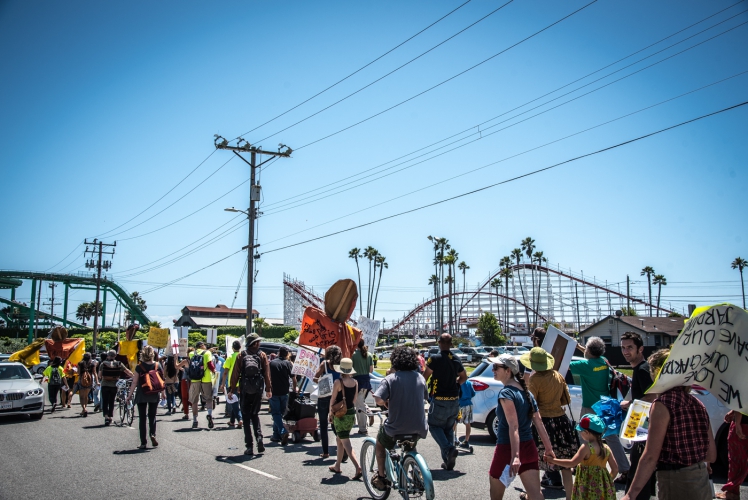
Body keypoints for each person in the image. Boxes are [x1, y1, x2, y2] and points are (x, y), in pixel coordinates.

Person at [622, 349, 717, 500]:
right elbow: (711, 455)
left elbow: (650, 456)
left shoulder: (662, 404)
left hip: (676, 479)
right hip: (700, 477)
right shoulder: (697, 403)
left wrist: (631, 494)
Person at [487, 353, 554, 500]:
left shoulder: (506, 393)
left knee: (495, 495)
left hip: (507, 448)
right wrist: (549, 449)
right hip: (528, 447)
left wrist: (515, 456)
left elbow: (514, 426)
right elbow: (539, 422)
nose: (493, 370)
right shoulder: (527, 393)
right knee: (536, 494)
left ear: (508, 371)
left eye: (495, 367)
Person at [570, 336, 630, 482]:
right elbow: (592, 353)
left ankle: (582, 464)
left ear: (589, 351)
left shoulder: (586, 365)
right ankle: (625, 468)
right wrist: (579, 347)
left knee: (583, 434)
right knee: (611, 437)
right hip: (605, 405)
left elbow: (564, 364)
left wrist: (569, 347)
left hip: (590, 406)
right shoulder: (604, 361)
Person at [521, 347, 578, 500]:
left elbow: (532, 404)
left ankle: (532, 494)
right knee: (565, 464)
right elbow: (566, 400)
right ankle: (569, 497)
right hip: (561, 421)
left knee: (536, 462)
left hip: (543, 423)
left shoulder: (534, 379)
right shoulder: (558, 375)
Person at [371, 346, 429, 491]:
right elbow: (425, 397)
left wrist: (384, 401)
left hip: (396, 427)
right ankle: (416, 473)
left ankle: (382, 477)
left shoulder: (390, 379)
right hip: (419, 427)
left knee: (380, 443)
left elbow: (378, 399)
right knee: (411, 445)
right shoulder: (420, 378)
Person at [619, 331, 657, 500]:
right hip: (640, 425)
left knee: (638, 469)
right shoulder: (640, 368)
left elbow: (652, 396)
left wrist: (631, 404)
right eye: (623, 348)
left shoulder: (642, 369)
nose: (626, 351)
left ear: (640, 349)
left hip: (643, 426)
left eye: (630, 347)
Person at [546, 413, 617, 500]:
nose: (580, 434)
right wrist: (606, 482)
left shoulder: (586, 447)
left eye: (581, 431)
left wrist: (553, 460)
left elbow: (572, 463)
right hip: (601, 488)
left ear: (587, 432)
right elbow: (615, 469)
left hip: (586, 487)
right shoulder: (606, 448)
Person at [422, 333, 467, 470]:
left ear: (439, 343)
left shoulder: (434, 359)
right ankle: (448, 461)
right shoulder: (456, 359)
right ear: (451, 344)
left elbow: (425, 377)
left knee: (434, 426)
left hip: (440, 399)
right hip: (454, 400)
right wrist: (456, 384)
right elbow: (464, 377)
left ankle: (448, 449)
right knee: (448, 429)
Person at [228, 333, 272, 456]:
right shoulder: (262, 355)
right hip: (258, 389)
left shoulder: (242, 355)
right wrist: (268, 389)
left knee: (246, 418)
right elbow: (267, 374)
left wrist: (231, 389)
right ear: (257, 343)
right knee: (255, 415)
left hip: (245, 389)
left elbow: (235, 374)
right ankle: (259, 438)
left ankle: (249, 446)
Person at [327, 358, 362, 479]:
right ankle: (337, 465)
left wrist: (330, 413)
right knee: (340, 438)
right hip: (351, 412)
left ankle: (358, 467)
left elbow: (333, 399)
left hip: (341, 414)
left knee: (345, 441)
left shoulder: (338, 382)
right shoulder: (355, 382)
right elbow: (354, 399)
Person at [125, 345, 163, 449]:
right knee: (152, 416)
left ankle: (143, 442)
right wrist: (163, 393)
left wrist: (129, 395)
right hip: (154, 393)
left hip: (142, 394)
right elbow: (161, 380)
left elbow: (134, 382)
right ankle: (153, 434)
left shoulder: (139, 366)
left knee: (142, 418)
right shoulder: (157, 365)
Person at [313, 345, 342, 459]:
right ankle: (343, 446)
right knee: (336, 424)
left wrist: (322, 381)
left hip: (324, 397)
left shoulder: (324, 364)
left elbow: (315, 378)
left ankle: (325, 452)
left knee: (323, 425)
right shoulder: (341, 365)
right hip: (337, 398)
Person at [717, 410, 748, 500]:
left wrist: (737, 424)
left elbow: (740, 403)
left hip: (744, 424)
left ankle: (732, 492)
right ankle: (732, 491)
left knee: (736, 460)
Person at [269, 345, 295, 445]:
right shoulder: (288, 363)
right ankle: (276, 435)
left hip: (273, 391)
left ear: (279, 353)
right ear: (287, 354)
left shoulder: (272, 363)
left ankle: (282, 431)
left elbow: (267, 377)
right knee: (281, 413)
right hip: (285, 391)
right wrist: (294, 389)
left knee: (275, 413)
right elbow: (293, 378)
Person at [99, 350, 133, 426]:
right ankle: (110, 416)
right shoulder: (119, 364)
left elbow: (99, 375)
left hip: (105, 384)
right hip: (114, 385)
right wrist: (134, 377)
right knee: (111, 401)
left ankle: (106, 417)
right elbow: (127, 371)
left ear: (108, 356)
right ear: (115, 356)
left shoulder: (103, 364)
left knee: (105, 401)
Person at [188, 341, 216, 429]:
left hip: (195, 379)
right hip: (206, 378)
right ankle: (209, 414)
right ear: (202, 346)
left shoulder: (192, 353)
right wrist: (214, 371)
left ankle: (195, 420)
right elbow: (210, 365)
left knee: (195, 401)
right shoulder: (207, 353)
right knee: (208, 398)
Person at [351, 339, 374, 435]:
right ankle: (368, 412)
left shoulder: (353, 355)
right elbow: (371, 370)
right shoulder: (369, 355)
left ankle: (363, 428)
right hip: (366, 382)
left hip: (357, 382)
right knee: (360, 403)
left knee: (359, 405)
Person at [220, 340, 243, 428]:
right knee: (236, 402)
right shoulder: (243, 356)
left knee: (234, 403)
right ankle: (232, 421)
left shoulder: (230, 357)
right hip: (242, 383)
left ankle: (240, 419)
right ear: (240, 347)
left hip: (232, 383)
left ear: (232, 348)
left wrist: (222, 383)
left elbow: (225, 372)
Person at [455, 377, 475, 449]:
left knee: (455, 421)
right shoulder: (469, 383)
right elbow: (473, 393)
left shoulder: (458, 383)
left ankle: (454, 439)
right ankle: (466, 440)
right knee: (467, 423)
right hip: (469, 405)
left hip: (461, 405)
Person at [77, 352, 97, 417]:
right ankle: (84, 409)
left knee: (81, 396)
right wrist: (97, 381)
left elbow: (78, 373)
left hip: (82, 380)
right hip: (89, 381)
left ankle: (84, 409)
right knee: (86, 396)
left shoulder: (80, 363)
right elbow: (94, 373)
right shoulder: (92, 364)